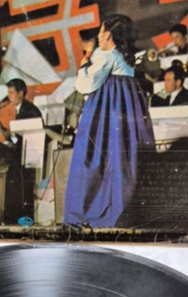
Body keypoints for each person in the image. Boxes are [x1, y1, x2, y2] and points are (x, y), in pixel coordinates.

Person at [63, 14, 154, 227]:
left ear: (107, 35)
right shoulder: (126, 57)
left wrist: (83, 67)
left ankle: (91, 214)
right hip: (126, 108)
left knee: (96, 155)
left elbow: (86, 84)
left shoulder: (106, 56)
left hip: (107, 108)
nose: (98, 35)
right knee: (122, 156)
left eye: (101, 31)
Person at [0, 78, 43, 224]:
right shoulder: (21, 109)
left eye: (11, 93)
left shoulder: (28, 110)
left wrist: (10, 134)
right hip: (23, 154)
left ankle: (19, 220)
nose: (9, 97)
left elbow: (28, 135)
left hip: (29, 156)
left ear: (21, 93)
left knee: (20, 189)